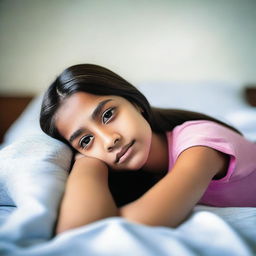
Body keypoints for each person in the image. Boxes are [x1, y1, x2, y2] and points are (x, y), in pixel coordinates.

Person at [40, 64, 256, 234]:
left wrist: (87, 160)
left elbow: (110, 231)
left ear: (136, 104)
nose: (109, 141)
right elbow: (75, 233)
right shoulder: (137, 177)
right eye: (86, 140)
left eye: (108, 115)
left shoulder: (200, 146)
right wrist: (88, 162)